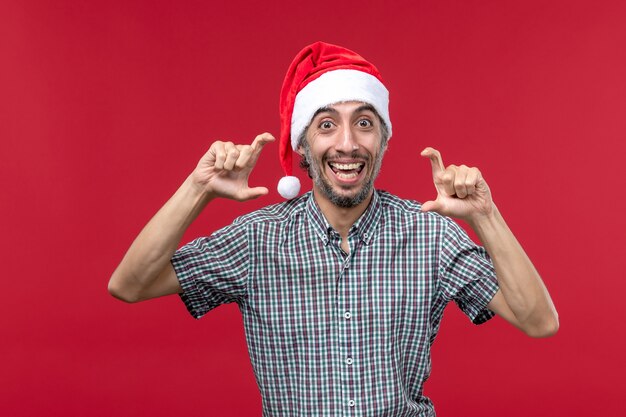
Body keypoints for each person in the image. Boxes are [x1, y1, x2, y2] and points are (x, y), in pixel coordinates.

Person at [109, 41, 558, 416]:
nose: (347, 143)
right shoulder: (256, 239)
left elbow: (538, 322)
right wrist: (198, 188)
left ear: (383, 140)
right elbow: (130, 285)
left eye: (364, 123)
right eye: (327, 125)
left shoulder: (430, 236)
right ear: (303, 144)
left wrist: (485, 213)